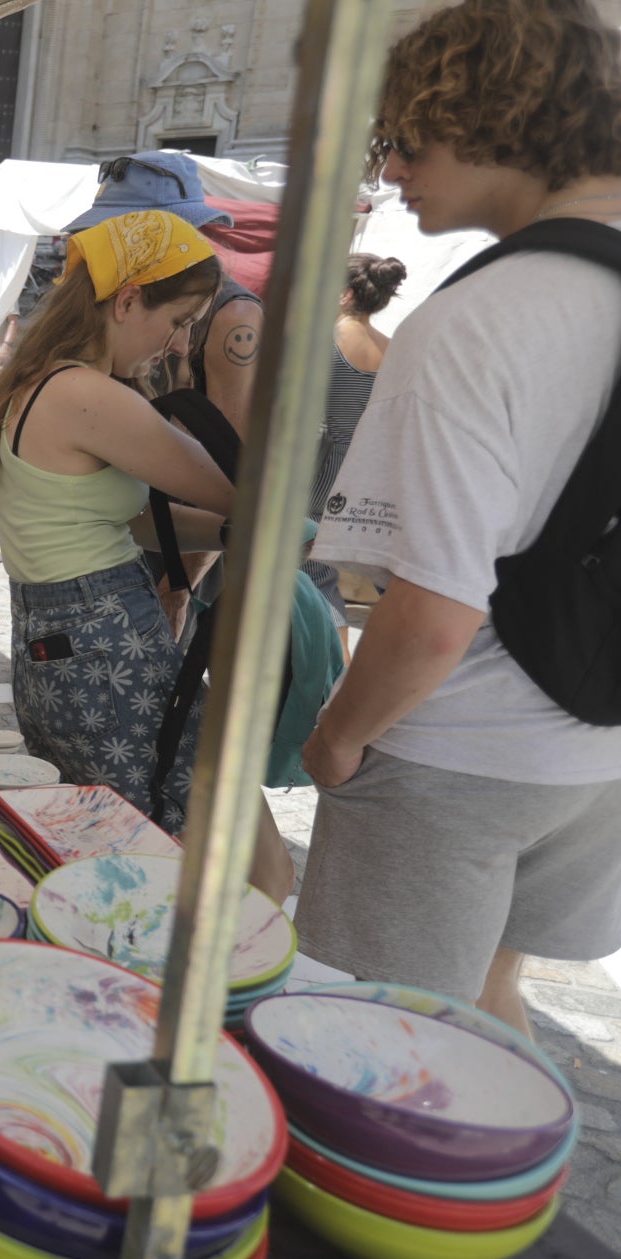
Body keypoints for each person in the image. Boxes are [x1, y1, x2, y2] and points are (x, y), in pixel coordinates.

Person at [296, 0, 621, 1032]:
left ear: (491, 115)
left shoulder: (476, 319)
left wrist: (338, 737)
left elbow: (434, 612)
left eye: (406, 137)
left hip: (456, 751)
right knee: (491, 1001)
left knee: (375, 1042)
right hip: (598, 742)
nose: (391, 170)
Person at [0, 210, 294, 898]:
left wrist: (223, 534)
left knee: (108, 863)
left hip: (64, 652)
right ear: (127, 300)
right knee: (221, 867)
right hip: (109, 654)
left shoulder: (40, 383)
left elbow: (122, 523)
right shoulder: (86, 394)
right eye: (178, 321)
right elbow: (247, 491)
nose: (177, 344)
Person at [65, 151, 256, 634]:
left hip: (184, 547)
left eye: (129, 230)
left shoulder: (232, 317)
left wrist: (178, 586)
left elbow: (228, 466)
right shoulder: (118, 300)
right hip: (127, 521)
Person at [303, 253, 406, 648]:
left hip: (318, 466)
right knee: (328, 572)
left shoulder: (323, 341)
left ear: (344, 293)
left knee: (310, 570)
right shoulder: (394, 349)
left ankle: (333, 665)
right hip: (367, 468)